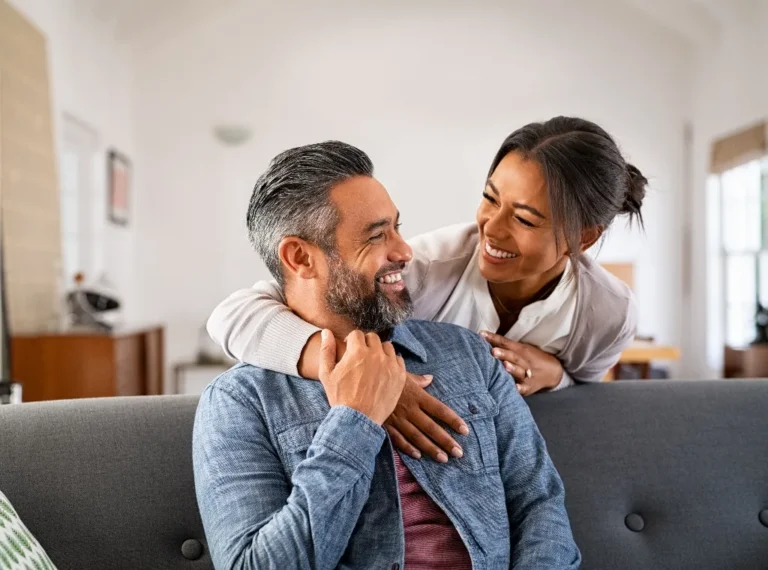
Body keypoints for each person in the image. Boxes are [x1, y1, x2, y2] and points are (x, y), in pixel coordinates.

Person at [193, 141, 581, 569]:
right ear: (300, 257)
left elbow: (539, 503)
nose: (405, 251)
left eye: (397, 227)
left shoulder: (469, 354)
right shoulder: (240, 402)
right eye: (377, 235)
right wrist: (353, 422)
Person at [207, 116, 645, 463]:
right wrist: (365, 375)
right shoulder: (427, 268)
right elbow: (233, 315)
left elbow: (588, 392)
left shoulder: (607, 313)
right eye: (490, 198)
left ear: (583, 238)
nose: (490, 227)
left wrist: (557, 375)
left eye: (525, 219)